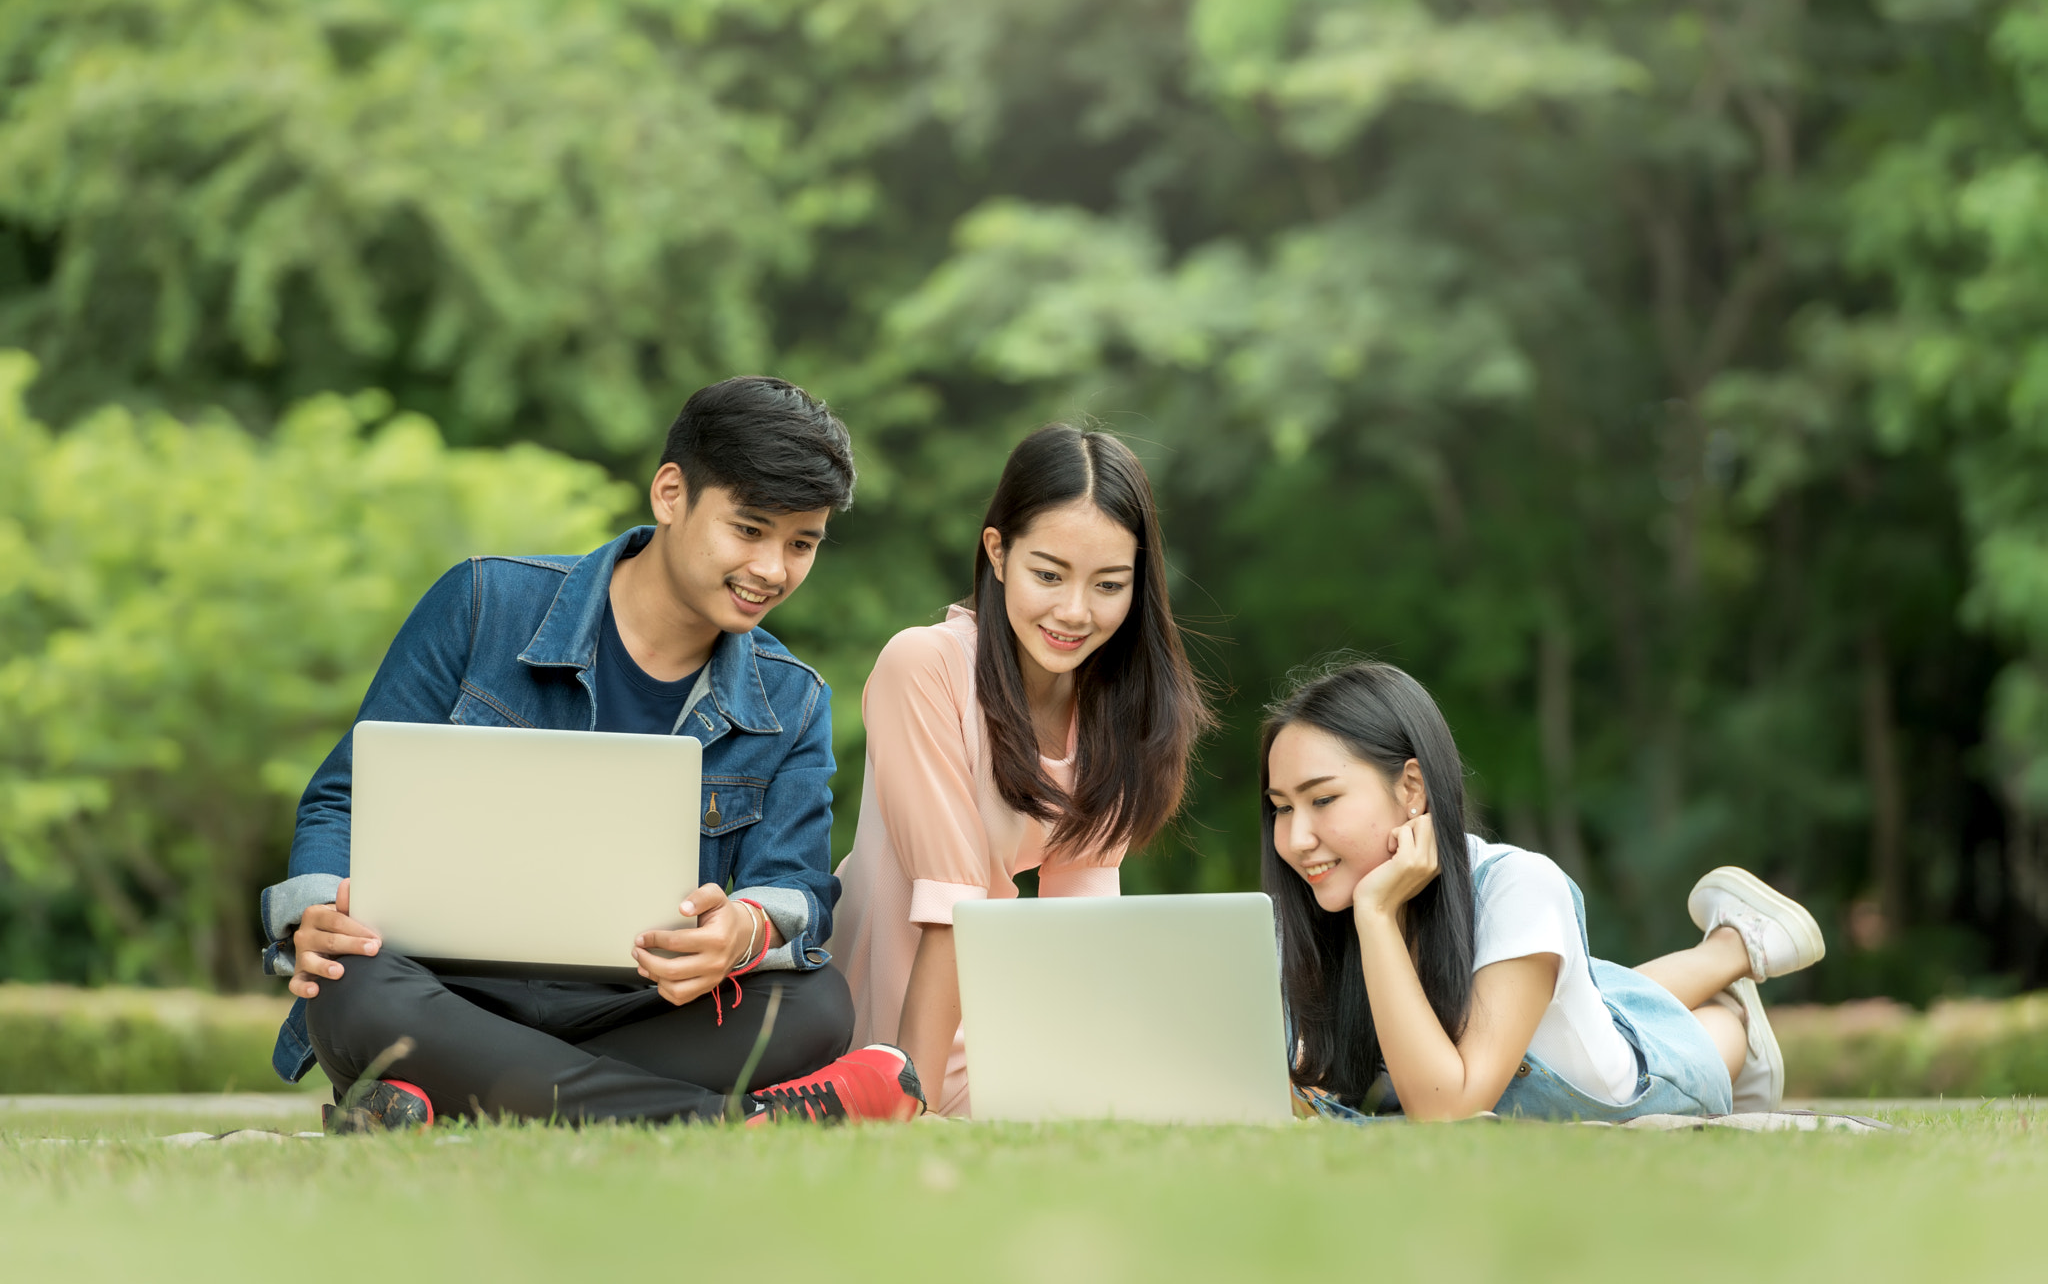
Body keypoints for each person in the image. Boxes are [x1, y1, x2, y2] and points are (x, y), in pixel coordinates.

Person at [259, 377, 923, 1130]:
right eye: (750, 529)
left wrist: (743, 929)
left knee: (816, 1004)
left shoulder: (793, 698)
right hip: (441, 988)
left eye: (801, 543)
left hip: (638, 1007)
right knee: (351, 984)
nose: (773, 568)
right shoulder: (482, 603)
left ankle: (448, 1096)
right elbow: (341, 799)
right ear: (671, 493)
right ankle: (721, 1122)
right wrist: (316, 910)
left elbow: (792, 887)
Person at [832, 425, 1215, 1115]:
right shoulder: (924, 667)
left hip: (1002, 1022)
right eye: (1049, 574)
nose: (1075, 611)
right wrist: (908, 1097)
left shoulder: (1116, 713)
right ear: (998, 552)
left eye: (1108, 584)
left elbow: (1082, 930)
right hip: (888, 1021)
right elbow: (953, 908)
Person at [1261, 661, 1826, 1123]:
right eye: (1282, 807)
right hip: (1572, 1006)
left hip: (1636, 1081)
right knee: (1592, 992)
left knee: (1700, 1032)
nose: (1296, 837)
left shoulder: (1517, 887)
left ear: (1412, 787)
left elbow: (1446, 1111)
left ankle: (1733, 978)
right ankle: (1727, 948)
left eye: (1323, 799)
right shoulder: (1308, 914)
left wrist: (1377, 913)